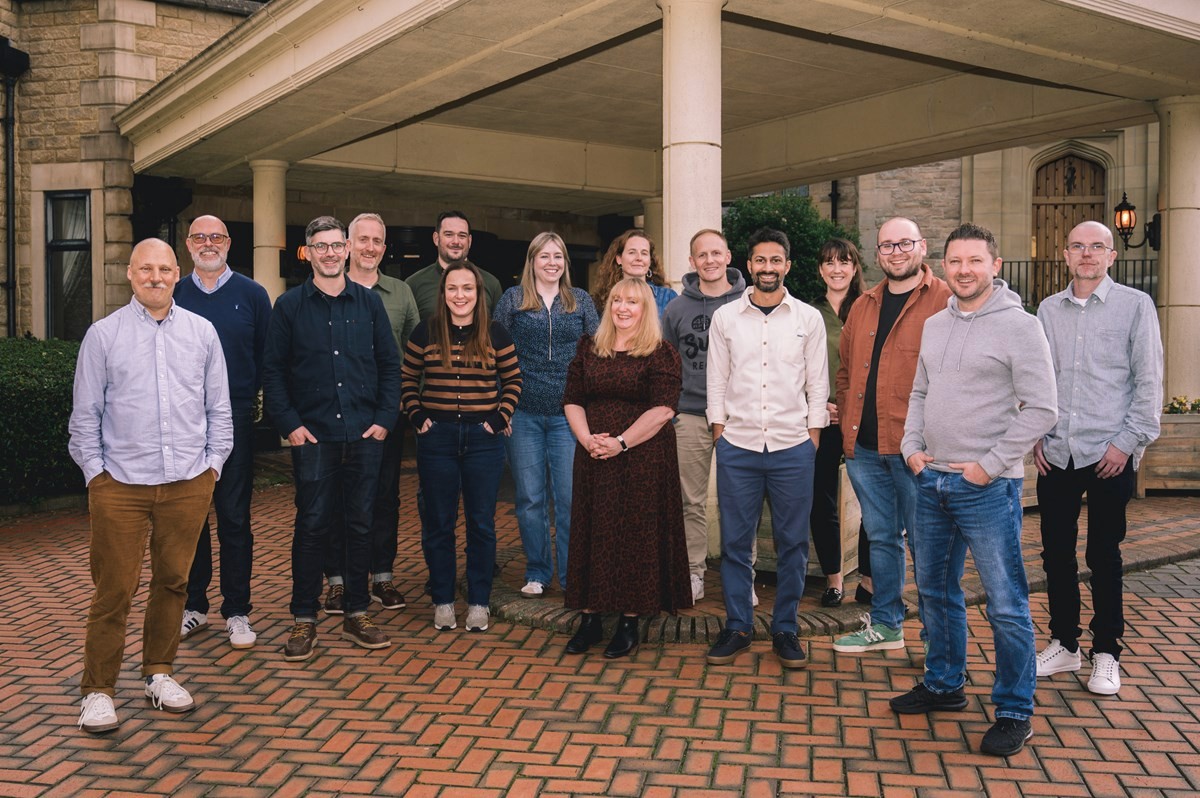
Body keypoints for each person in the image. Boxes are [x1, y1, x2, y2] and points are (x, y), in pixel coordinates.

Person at [894, 223, 1057, 757]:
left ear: (996, 265)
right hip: (930, 479)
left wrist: (988, 467)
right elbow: (920, 390)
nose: (964, 270)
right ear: (944, 266)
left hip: (985, 488)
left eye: (975, 261)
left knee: (1007, 603)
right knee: (937, 593)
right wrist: (911, 446)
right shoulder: (936, 324)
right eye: (955, 261)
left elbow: (1042, 409)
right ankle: (944, 685)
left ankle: (1014, 709)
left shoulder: (1021, 327)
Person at [70, 238, 233, 734]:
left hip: (188, 483)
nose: (156, 277)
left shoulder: (202, 333)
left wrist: (212, 469)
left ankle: (158, 674)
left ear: (176, 274)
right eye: (146, 269)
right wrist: (96, 476)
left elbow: (219, 410)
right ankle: (98, 691)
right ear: (130, 274)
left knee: (173, 584)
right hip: (119, 484)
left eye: (164, 269)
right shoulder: (103, 335)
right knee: (114, 590)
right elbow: (85, 416)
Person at [263, 215, 402, 662]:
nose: (329, 253)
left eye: (335, 245)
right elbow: (274, 372)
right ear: (308, 252)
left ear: (346, 249)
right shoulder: (288, 306)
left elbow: (390, 365)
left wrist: (384, 418)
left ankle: (357, 612)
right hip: (314, 438)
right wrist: (289, 424)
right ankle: (304, 618)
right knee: (312, 526)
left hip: (365, 434)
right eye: (319, 246)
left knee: (361, 524)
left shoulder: (368, 304)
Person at [1033, 221, 1163, 696]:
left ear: (1111, 256)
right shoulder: (1048, 309)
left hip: (1110, 452)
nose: (1086, 254)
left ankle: (1106, 652)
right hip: (1058, 451)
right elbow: (1037, 378)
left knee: (1103, 555)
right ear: (1065, 255)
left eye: (1096, 247)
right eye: (1077, 247)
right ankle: (1065, 644)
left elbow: (1149, 380)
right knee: (1056, 555)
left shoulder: (1136, 306)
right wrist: (1037, 434)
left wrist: (1127, 443)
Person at [704, 227, 828, 670]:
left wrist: (812, 438)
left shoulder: (807, 319)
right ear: (749, 265)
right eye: (760, 260)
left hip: (793, 446)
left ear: (788, 265)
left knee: (793, 542)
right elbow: (715, 380)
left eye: (776, 260)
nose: (768, 268)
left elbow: (817, 382)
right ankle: (738, 625)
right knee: (736, 543)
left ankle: (786, 627)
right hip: (737, 445)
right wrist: (719, 431)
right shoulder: (726, 319)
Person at [832, 217, 951, 654]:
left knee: (927, 544)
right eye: (887, 246)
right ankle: (886, 625)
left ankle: (940, 641)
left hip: (916, 451)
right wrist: (847, 422)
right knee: (881, 539)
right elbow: (845, 373)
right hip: (864, 450)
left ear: (922, 246)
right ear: (877, 254)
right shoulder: (863, 305)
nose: (896, 252)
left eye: (905, 244)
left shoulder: (945, 299)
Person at [562, 278, 690, 658]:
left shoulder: (660, 352)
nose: (622, 307)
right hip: (594, 455)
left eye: (632, 302)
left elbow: (664, 409)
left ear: (645, 308)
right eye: (617, 300)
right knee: (592, 530)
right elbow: (572, 398)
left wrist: (620, 443)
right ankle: (590, 618)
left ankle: (629, 621)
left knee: (634, 534)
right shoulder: (589, 347)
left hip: (641, 456)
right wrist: (587, 440)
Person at [401, 261, 522, 633]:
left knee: (481, 525)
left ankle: (479, 602)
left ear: (478, 293)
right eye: (452, 288)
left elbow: (514, 380)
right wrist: (418, 416)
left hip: (482, 440)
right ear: (443, 293)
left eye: (467, 288)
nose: (460, 295)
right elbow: (407, 379)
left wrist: (499, 419)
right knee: (438, 524)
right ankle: (442, 600)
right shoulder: (425, 332)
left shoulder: (496, 333)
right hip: (436, 439)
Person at [174, 215, 270, 651]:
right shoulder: (175, 294)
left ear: (229, 243)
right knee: (190, 519)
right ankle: (194, 606)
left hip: (234, 420)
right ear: (188, 244)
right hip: (182, 422)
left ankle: (237, 611)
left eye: (216, 237)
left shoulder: (252, 295)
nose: (208, 243)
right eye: (199, 237)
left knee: (234, 518)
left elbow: (266, 358)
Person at [322, 213, 421, 614]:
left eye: (377, 241)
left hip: (385, 414)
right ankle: (337, 582)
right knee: (334, 499)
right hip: (335, 415)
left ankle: (382, 576)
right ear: (347, 244)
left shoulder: (400, 293)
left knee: (384, 497)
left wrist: (407, 401)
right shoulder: (329, 289)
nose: (370, 247)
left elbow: (416, 353)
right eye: (362, 239)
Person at [494, 232, 599, 598]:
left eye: (558, 256)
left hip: (569, 415)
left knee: (570, 499)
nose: (551, 263)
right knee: (530, 499)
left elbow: (597, 353)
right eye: (544, 256)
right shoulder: (512, 299)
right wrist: (500, 406)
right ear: (532, 261)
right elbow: (495, 353)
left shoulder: (581, 301)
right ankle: (538, 571)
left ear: (565, 262)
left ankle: (573, 576)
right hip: (522, 413)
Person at [661, 228, 746, 602]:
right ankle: (694, 572)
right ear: (692, 262)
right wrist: (670, 411)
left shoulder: (749, 300)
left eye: (716, 253)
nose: (710, 260)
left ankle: (742, 576)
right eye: (702, 255)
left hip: (739, 415)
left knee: (740, 501)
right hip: (691, 415)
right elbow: (664, 363)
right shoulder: (677, 308)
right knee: (689, 500)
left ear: (728, 256)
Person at [808, 238, 866, 607]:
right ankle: (833, 580)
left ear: (855, 267)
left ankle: (870, 581)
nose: (837, 268)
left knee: (873, 503)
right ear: (820, 269)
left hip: (863, 418)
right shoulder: (807, 313)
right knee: (820, 500)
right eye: (829, 262)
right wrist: (813, 405)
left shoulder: (870, 308)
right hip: (823, 419)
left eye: (844, 261)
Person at [406, 210, 503, 321]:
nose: (456, 241)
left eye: (462, 236)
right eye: (449, 235)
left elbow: (498, 334)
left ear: (469, 241)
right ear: (436, 239)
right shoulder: (413, 284)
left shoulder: (491, 283)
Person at [591, 229, 677, 318]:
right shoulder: (602, 299)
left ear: (650, 260)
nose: (639, 258)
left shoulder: (668, 297)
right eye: (632, 252)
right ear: (619, 259)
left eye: (644, 253)